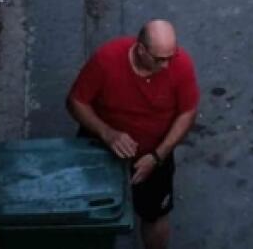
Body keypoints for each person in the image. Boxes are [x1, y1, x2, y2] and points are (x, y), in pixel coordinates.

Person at [67, 21, 199, 249]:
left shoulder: (181, 65)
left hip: (153, 153)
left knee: (155, 214)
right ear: (140, 50)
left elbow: (187, 112)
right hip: (101, 147)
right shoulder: (106, 60)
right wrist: (107, 133)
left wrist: (157, 157)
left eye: (171, 56)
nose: (167, 65)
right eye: (159, 59)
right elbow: (76, 102)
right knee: (88, 205)